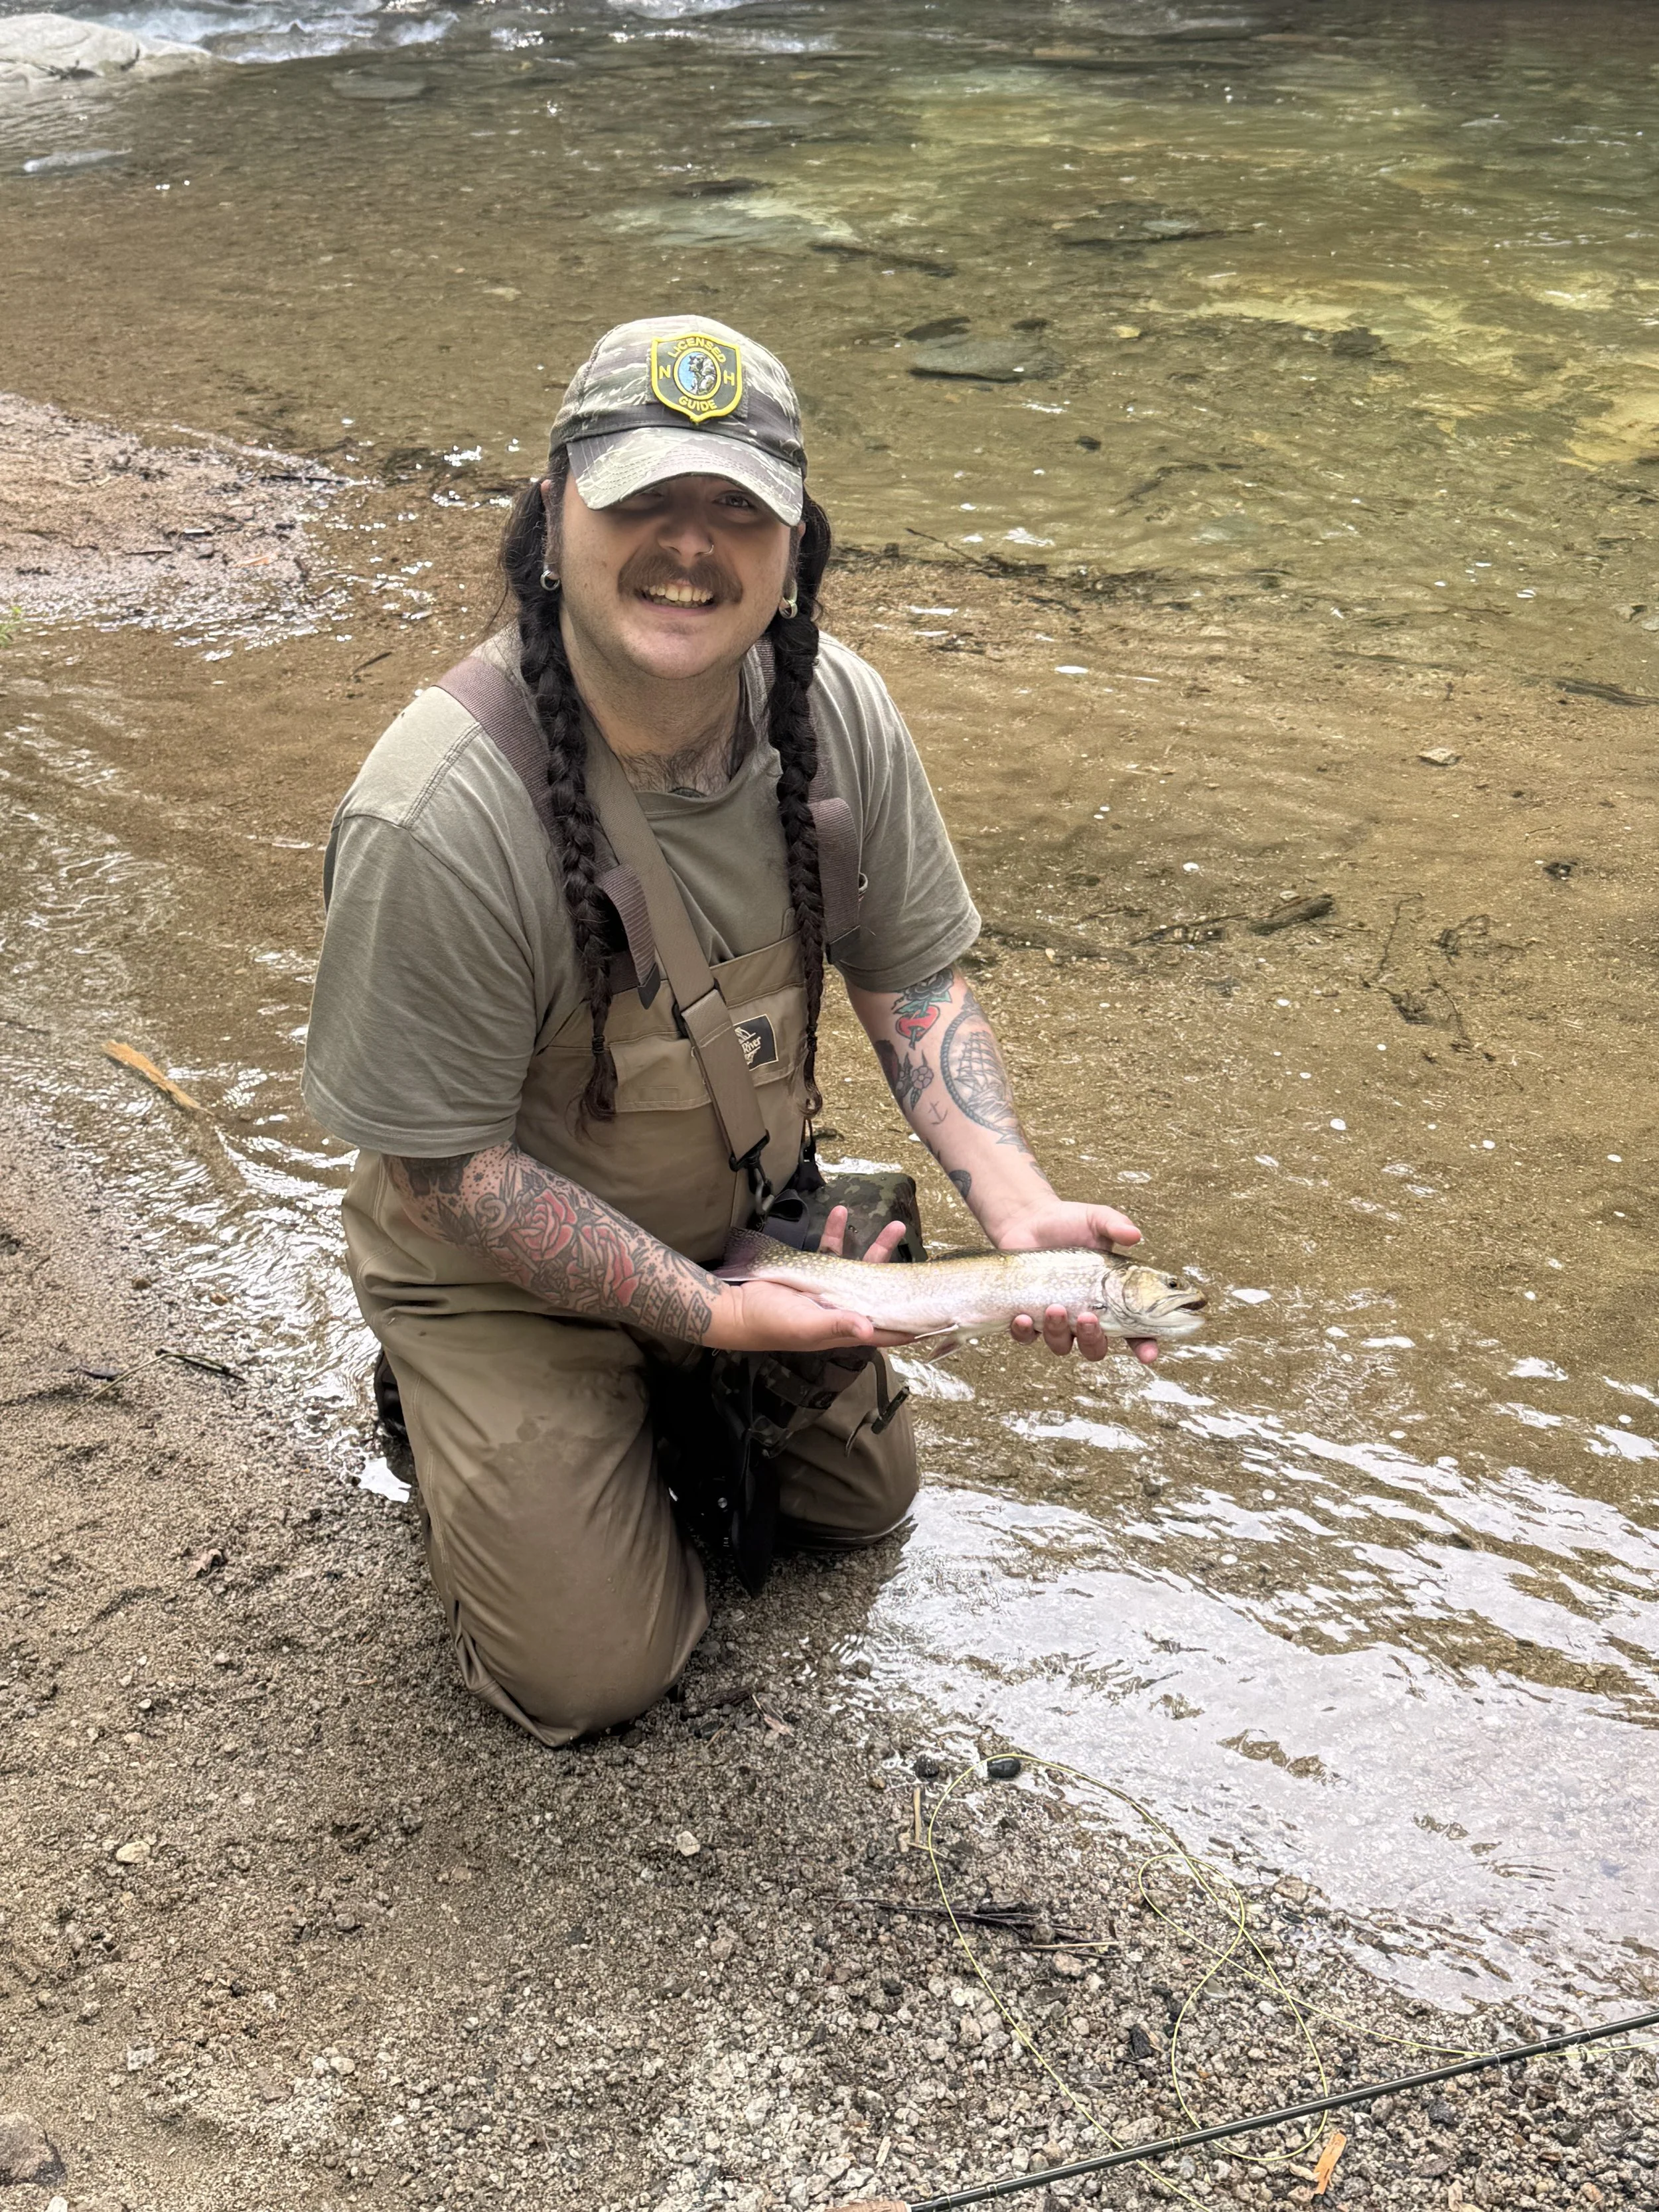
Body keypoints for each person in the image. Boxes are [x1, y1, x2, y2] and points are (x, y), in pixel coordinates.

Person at [301, 314, 1157, 1747]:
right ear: (552, 512)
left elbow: (911, 982)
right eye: (641, 500)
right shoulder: (437, 811)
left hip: (737, 1219)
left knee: (858, 1515)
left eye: (733, 510)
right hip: (499, 1271)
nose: (685, 547)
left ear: (792, 543)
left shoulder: (837, 714)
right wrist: (708, 1319)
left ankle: (678, 1386)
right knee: (591, 1680)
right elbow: (447, 1177)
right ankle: (452, 1402)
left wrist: (1020, 1212)